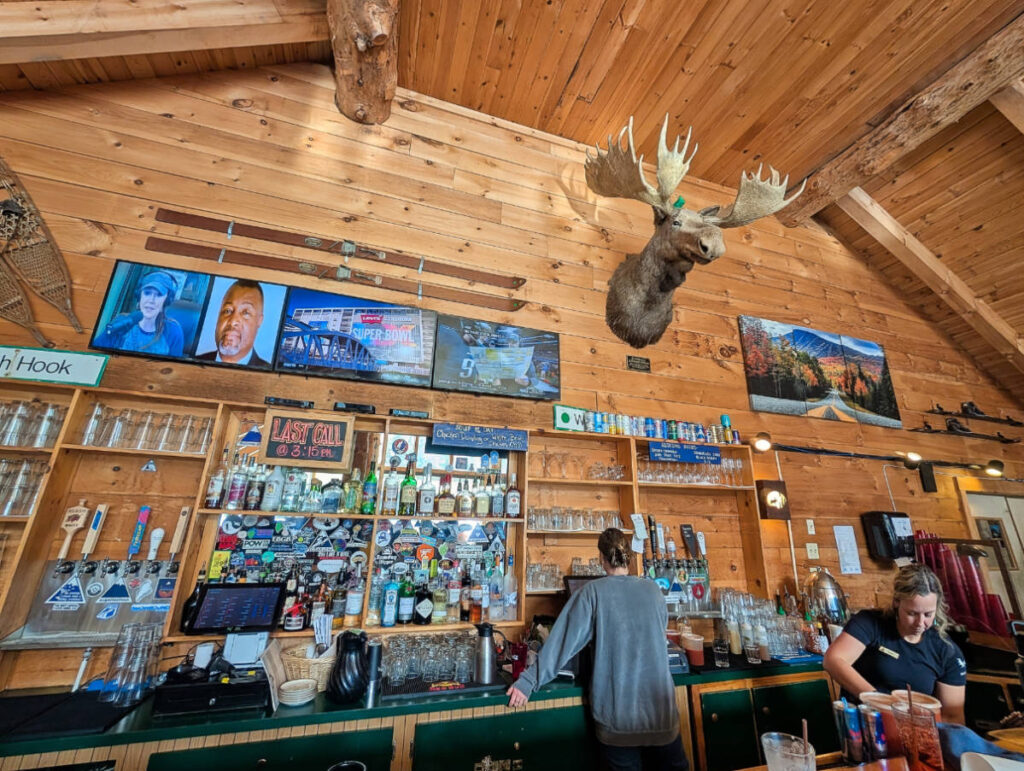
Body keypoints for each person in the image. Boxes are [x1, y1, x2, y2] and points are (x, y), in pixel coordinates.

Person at [507, 529, 688, 771]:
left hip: (618, 722)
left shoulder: (592, 593)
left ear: (602, 558)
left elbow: (562, 642)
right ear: (628, 556)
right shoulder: (653, 590)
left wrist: (528, 681)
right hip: (662, 717)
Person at [823, 563, 966, 723]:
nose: (920, 623)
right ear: (896, 602)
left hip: (913, 728)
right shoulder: (870, 623)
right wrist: (879, 701)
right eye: (912, 613)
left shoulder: (946, 651)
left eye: (928, 614)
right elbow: (833, 660)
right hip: (863, 724)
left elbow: (952, 717)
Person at [93, 269, 184, 357]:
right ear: (139, 296)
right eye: (147, 293)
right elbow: (96, 353)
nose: (151, 300)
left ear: (167, 300)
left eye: (159, 295)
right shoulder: (122, 322)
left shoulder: (173, 331)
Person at [195, 279, 268, 367]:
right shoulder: (195, 362)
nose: (233, 321)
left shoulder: (268, 373)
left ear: (259, 321)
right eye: (228, 311)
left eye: (245, 313)